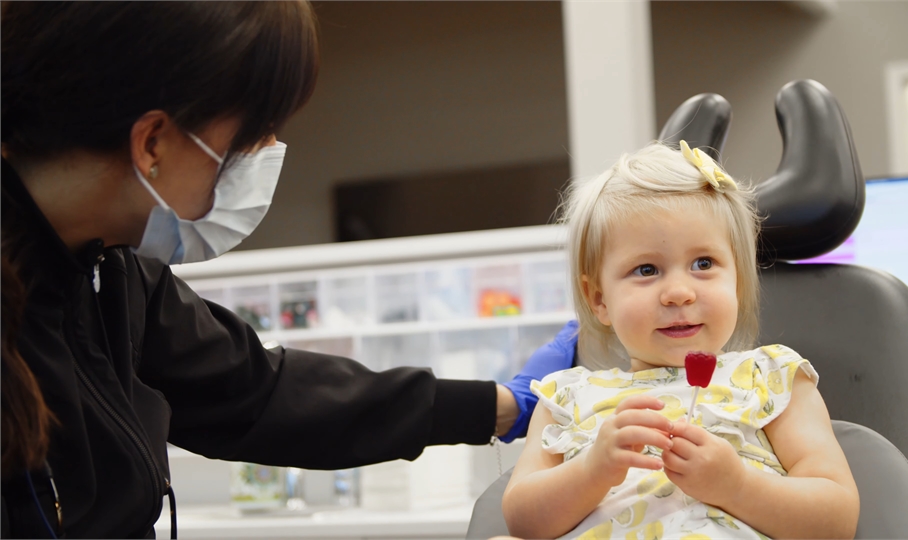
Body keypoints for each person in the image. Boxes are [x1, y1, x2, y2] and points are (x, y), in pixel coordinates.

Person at [0, 3, 556, 537]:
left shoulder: (108, 271)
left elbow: (257, 392)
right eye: (248, 137)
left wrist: (500, 406)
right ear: (152, 143)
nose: (266, 152)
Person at [501, 141, 860, 539]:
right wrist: (592, 469)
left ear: (737, 281)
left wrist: (737, 485)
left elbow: (836, 519)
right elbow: (521, 520)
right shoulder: (564, 398)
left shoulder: (771, 378)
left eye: (703, 264)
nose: (678, 292)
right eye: (647, 269)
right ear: (599, 299)